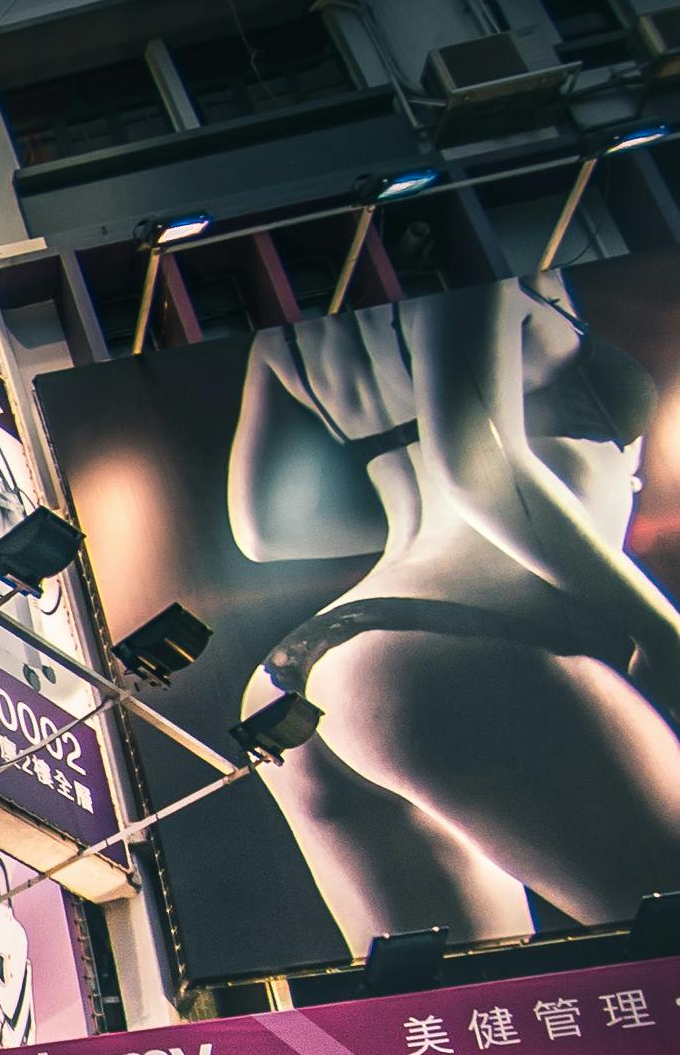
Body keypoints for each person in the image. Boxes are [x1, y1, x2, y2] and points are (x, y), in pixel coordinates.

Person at [224, 275, 680, 956]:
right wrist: (661, 630)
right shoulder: (459, 282)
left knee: (461, 1016)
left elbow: (264, 532)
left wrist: (419, 529)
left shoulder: (280, 339)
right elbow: (473, 471)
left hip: (308, 675)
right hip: (455, 650)